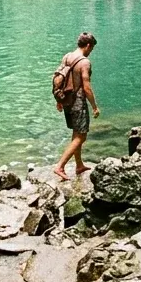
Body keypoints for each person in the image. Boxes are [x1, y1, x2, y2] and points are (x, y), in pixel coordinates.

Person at [54, 32, 99, 180]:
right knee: (81, 135)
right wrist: (94, 106)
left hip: (66, 99)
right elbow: (86, 87)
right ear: (87, 45)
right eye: (91, 48)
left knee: (76, 133)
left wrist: (59, 100)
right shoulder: (84, 62)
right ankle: (60, 166)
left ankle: (79, 165)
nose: (91, 51)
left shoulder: (67, 56)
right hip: (78, 102)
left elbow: (61, 80)